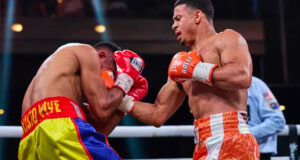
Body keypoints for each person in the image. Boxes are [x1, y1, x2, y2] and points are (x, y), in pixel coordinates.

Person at [116, 0, 260, 159]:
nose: (173, 26)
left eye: (178, 18)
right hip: (202, 142)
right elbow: (157, 114)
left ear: (197, 16)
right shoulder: (180, 63)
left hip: (232, 137)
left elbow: (242, 76)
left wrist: (196, 70)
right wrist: (120, 99)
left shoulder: (227, 38)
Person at [18, 42, 146, 160]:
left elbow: (99, 133)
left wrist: (120, 101)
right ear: (101, 55)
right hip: (60, 130)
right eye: (112, 72)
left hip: (28, 141)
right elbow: (102, 110)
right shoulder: (87, 52)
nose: (110, 81)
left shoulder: (58, 79)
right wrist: (125, 79)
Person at [247, 76, 286, 160]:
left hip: (258, 153)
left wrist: (245, 136)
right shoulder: (216, 87)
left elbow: (277, 121)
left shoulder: (256, 85)